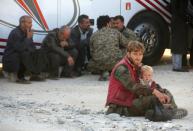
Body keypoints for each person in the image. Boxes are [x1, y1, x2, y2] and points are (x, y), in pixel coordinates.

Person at [106, 41, 187, 120]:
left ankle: (172, 110)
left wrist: (159, 90)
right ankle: (165, 111)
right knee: (154, 99)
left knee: (163, 91)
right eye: (135, 54)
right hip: (121, 106)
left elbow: (147, 81)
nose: (138, 57)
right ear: (128, 54)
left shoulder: (136, 65)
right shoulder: (122, 68)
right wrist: (154, 92)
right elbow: (134, 87)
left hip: (131, 98)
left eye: (140, 54)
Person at [2, 15, 44, 84]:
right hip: (11, 60)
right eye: (29, 23)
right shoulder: (15, 33)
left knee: (40, 52)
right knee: (25, 53)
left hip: (20, 56)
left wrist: (35, 53)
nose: (31, 25)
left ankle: (34, 74)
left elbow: (32, 48)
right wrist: (28, 38)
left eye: (31, 23)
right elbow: (20, 48)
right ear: (22, 23)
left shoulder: (27, 33)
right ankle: (19, 77)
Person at [87, 15, 128, 81]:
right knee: (125, 50)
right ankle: (115, 70)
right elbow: (127, 44)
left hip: (99, 64)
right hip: (115, 63)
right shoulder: (115, 32)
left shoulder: (93, 35)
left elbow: (92, 52)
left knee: (91, 64)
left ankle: (104, 71)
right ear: (107, 24)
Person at [171, 0, 189, 72]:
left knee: (175, 42)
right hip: (180, 21)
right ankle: (177, 67)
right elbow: (182, 10)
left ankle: (176, 65)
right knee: (179, 43)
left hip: (175, 19)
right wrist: (187, 18)